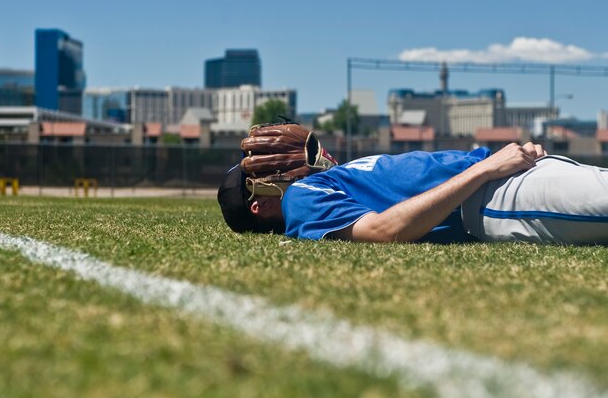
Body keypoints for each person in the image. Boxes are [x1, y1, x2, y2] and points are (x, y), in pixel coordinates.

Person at [217, 142, 608, 245]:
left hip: (512, 172)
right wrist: (485, 169)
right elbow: (385, 231)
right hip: (495, 199)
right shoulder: (298, 199)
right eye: (265, 170)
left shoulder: (328, 180)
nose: (280, 160)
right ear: (261, 204)